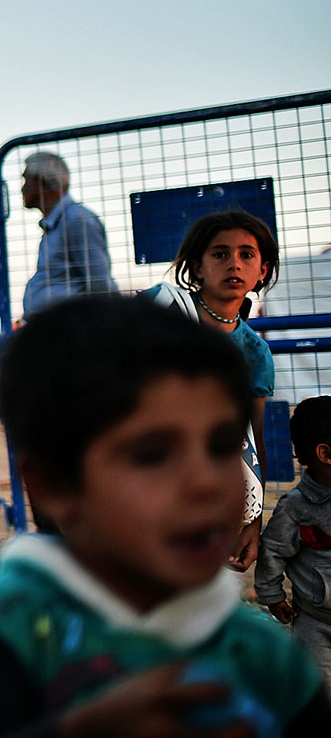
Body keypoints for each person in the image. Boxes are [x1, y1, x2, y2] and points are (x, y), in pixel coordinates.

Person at [0, 297, 331, 737]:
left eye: (223, 446)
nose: (206, 483)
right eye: (153, 455)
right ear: (54, 485)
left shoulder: (258, 650)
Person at [142, 209, 280, 572]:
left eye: (246, 255)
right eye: (220, 254)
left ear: (261, 271)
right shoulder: (163, 308)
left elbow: (253, 439)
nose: (234, 263)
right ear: (198, 267)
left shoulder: (255, 352)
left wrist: (253, 520)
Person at [257, 395, 331, 685]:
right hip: (316, 624)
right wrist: (272, 597)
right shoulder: (295, 507)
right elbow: (273, 552)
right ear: (326, 454)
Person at [19, 151, 117, 318]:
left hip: (72, 331)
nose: (23, 188)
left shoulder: (77, 221)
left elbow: (100, 285)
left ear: (42, 181)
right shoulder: (59, 223)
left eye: (27, 179)